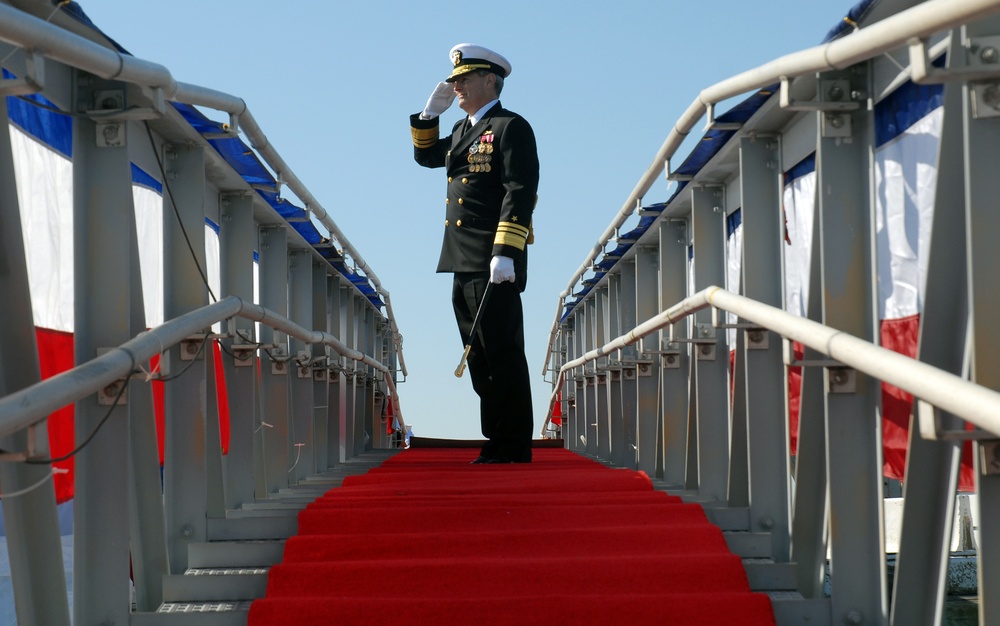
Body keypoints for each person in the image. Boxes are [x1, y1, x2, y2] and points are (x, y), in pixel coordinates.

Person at [410, 43, 539, 464]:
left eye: (464, 80)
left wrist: (505, 250)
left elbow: (520, 192)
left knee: (502, 349)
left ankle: (514, 443)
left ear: (490, 80)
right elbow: (427, 156)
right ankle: (497, 437)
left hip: (492, 259)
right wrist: (430, 116)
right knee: (478, 353)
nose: (457, 87)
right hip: (461, 258)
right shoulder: (465, 131)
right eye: (454, 81)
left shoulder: (509, 127)